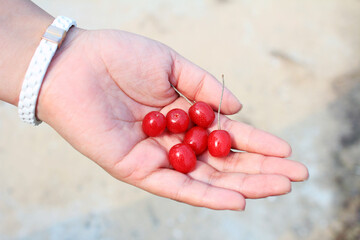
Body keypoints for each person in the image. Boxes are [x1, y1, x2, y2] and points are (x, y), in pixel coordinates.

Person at [0, 0, 308, 211]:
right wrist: (60, 55)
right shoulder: (181, 129)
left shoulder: (189, 130)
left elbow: (188, 136)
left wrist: (58, 55)